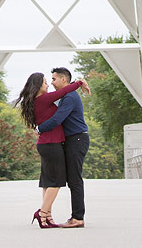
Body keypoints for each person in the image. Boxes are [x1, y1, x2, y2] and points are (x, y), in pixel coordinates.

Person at [15, 71, 89, 228]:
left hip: (60, 141)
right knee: (56, 181)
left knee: (52, 181)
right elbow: (56, 119)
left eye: (53, 80)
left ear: (63, 79)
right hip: (51, 143)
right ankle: (43, 213)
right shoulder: (45, 99)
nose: (50, 84)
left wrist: (39, 128)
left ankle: (49, 215)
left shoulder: (63, 97)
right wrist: (79, 82)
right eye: (46, 82)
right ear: (38, 86)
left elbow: (56, 118)